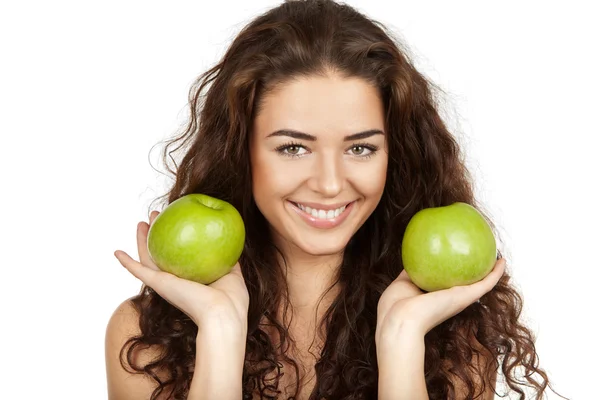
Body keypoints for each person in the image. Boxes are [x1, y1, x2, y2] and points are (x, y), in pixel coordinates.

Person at [105, 1, 564, 399]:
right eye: (293, 147)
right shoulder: (146, 340)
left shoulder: (453, 336)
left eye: (360, 148)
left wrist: (402, 340)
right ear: (241, 152)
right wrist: (220, 336)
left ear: (394, 155)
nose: (328, 184)